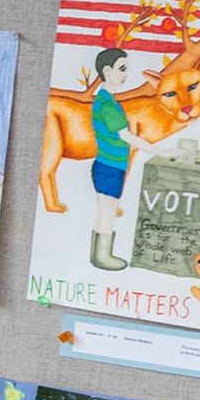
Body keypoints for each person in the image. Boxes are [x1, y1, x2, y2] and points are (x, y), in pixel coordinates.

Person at [81, 44, 146, 270]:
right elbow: (126, 135)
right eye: (122, 68)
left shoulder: (106, 100)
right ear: (107, 71)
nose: (125, 74)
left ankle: (98, 256)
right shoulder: (107, 104)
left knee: (104, 213)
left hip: (108, 165)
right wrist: (162, 151)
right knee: (107, 214)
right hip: (110, 166)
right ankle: (103, 257)